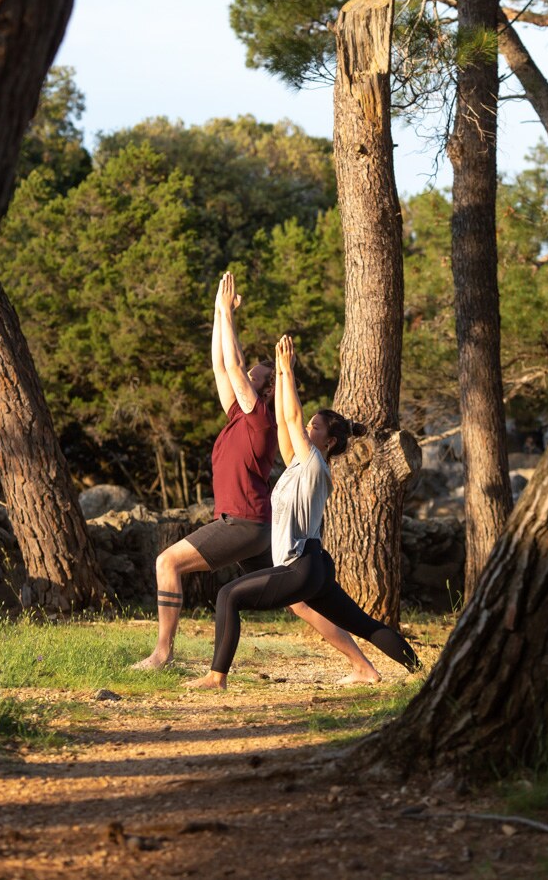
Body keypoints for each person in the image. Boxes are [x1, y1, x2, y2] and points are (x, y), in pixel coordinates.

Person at [133, 273, 380, 683]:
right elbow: (220, 363)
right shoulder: (238, 416)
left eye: (255, 377)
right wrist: (218, 311)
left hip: (244, 523)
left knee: (167, 562)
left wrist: (228, 314)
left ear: (264, 392)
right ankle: (363, 668)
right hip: (258, 525)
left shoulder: (260, 421)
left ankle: (162, 653)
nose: (244, 376)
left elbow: (232, 363)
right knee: (300, 602)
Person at [188, 334, 421, 690]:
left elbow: (293, 417)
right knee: (365, 624)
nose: (307, 428)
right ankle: (419, 674)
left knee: (228, 595)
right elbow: (284, 422)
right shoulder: (298, 463)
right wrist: (282, 377)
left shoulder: (315, 464)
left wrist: (286, 372)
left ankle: (215, 677)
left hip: (299, 566)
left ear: (328, 442)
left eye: (315, 427)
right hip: (314, 565)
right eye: (309, 425)